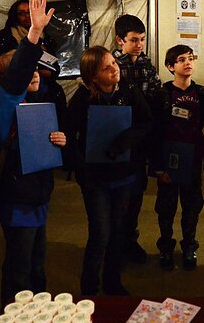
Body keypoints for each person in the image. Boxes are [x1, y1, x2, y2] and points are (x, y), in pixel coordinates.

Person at [0, 0, 66, 308]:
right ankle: (13, 318)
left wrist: (59, 139)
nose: (34, 73)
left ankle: (39, 313)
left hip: (38, 195)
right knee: (19, 268)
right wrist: (34, 33)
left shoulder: (38, 104)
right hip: (17, 199)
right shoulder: (9, 103)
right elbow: (18, 73)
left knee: (37, 262)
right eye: (27, 71)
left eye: (36, 69)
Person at [64, 46, 152, 295]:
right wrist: (82, 166)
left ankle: (113, 283)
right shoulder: (82, 99)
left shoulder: (129, 92)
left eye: (114, 62)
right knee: (100, 233)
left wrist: (125, 141)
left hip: (123, 177)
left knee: (118, 232)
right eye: (107, 67)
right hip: (95, 180)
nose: (115, 68)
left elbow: (146, 122)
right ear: (93, 76)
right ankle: (89, 288)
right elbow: (68, 136)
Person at [152, 44, 204, 270]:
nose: (187, 63)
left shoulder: (201, 93)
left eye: (190, 58)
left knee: (191, 207)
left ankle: (189, 246)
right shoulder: (162, 93)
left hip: (192, 159)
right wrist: (158, 168)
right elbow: (156, 133)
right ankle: (166, 248)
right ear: (170, 66)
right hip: (169, 160)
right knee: (166, 207)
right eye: (181, 60)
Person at [112, 14, 160, 264]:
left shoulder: (147, 66)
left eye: (142, 39)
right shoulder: (111, 66)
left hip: (141, 138)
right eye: (134, 40)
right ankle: (117, 241)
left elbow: (154, 96)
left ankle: (130, 238)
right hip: (119, 138)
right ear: (120, 40)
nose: (139, 44)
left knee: (137, 190)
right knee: (120, 193)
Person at [0, 0, 60, 91]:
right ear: (15, 16)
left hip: (45, 90)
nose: (27, 16)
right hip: (18, 91)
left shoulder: (46, 38)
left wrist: (47, 73)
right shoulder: (7, 39)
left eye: (29, 12)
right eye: (21, 13)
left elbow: (56, 68)